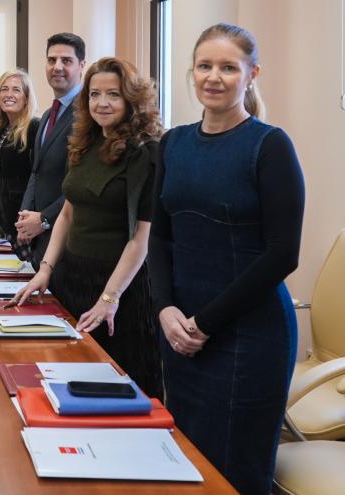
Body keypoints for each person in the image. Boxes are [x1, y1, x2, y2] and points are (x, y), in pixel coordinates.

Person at [147, 23, 304, 494]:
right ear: (192, 72)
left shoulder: (269, 145)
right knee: (189, 464)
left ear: (251, 74)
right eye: (205, 66)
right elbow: (160, 238)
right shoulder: (172, 144)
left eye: (228, 67)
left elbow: (283, 255)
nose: (214, 77)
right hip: (180, 334)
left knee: (235, 473)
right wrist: (165, 309)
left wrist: (204, 324)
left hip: (248, 336)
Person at [13, 57, 164, 399]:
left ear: (132, 99)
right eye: (95, 94)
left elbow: (142, 237)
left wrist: (110, 299)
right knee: (70, 379)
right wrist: (45, 270)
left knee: (119, 388)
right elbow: (67, 213)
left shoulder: (146, 153)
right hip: (73, 277)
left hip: (119, 287)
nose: (102, 103)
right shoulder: (84, 144)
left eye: (113, 94)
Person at [16, 33, 86, 267]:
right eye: (51, 60)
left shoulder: (89, 115)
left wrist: (45, 219)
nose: (57, 67)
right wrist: (26, 215)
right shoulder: (47, 116)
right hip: (40, 240)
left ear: (81, 65)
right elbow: (36, 172)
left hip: (70, 241)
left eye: (66, 61)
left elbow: (82, 184)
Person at [0, 69, 39, 240]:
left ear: (26, 98)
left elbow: (38, 179)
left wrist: (28, 219)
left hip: (23, 223)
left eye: (16, 89)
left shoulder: (34, 127)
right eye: (4, 89)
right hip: (1, 223)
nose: (9, 94)